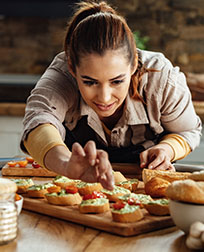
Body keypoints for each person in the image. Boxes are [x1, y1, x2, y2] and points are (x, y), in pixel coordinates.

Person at [20, 1, 202, 190]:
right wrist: (67, 165)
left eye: (117, 81)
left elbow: (187, 131)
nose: (104, 98)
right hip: (76, 185)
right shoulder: (61, 76)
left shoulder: (162, 78)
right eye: (90, 82)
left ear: (133, 65)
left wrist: (167, 149)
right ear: (72, 69)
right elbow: (38, 123)